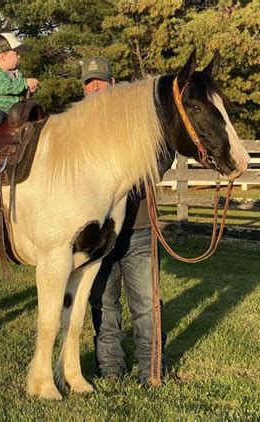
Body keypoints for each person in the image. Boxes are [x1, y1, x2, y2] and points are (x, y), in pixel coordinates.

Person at [82, 57, 170, 385]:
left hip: (140, 228)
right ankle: (110, 371)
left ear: (113, 83)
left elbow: (164, 151)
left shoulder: (137, 118)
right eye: (89, 84)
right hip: (99, 232)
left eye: (100, 83)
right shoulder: (81, 128)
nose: (94, 89)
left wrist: (139, 172)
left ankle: (152, 370)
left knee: (147, 306)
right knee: (104, 305)